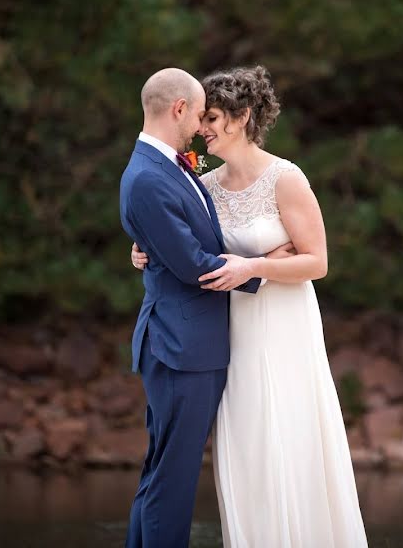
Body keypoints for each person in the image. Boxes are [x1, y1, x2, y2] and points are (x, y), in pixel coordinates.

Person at [130, 65, 368, 547]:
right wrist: (143, 248)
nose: (202, 129)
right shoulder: (205, 184)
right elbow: (181, 236)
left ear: (239, 119)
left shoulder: (286, 177)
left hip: (282, 327)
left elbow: (317, 262)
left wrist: (254, 268)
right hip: (229, 329)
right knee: (246, 447)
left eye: (212, 118)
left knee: (287, 436)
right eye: (201, 118)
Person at [119, 68, 272, 548]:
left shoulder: (167, 166)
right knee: (174, 481)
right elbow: (192, 265)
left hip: (184, 344)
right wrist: (264, 269)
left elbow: (174, 241)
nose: (202, 126)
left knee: (163, 473)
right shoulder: (148, 176)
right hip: (180, 348)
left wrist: (146, 251)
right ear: (178, 109)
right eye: (200, 112)